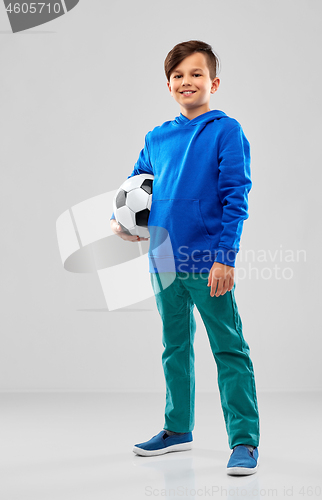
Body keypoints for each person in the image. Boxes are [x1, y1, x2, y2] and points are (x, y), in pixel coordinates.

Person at [110, 40, 260, 476]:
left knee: (229, 348)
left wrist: (225, 258)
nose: (186, 81)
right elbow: (137, 185)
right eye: (178, 76)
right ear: (169, 85)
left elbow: (237, 197)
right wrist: (126, 223)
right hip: (162, 260)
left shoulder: (226, 131)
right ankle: (177, 429)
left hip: (208, 261)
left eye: (196, 74)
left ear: (213, 82)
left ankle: (245, 441)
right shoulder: (156, 137)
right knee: (174, 346)